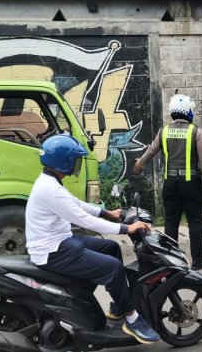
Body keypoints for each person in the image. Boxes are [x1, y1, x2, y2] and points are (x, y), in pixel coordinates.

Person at [25, 134, 159, 344]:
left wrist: (108, 212)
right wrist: (127, 228)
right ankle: (132, 319)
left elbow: (76, 204)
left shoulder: (49, 181)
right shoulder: (49, 189)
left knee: (111, 248)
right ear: (64, 162)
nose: (77, 164)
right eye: (75, 160)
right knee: (113, 268)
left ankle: (117, 307)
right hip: (52, 251)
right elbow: (86, 221)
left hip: (60, 240)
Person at [133, 94, 202, 270]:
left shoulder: (164, 131)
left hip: (170, 184)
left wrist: (140, 163)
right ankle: (198, 261)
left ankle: (172, 261)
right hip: (190, 184)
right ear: (188, 112)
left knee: (171, 222)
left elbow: (151, 150)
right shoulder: (195, 131)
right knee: (194, 221)